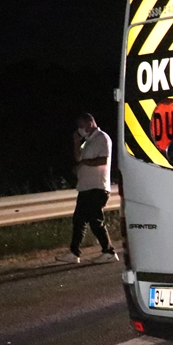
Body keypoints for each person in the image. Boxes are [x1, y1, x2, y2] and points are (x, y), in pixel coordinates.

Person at [57, 113, 117, 264]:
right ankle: (74, 253)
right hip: (85, 187)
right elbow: (78, 158)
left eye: (81, 125)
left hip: (97, 187)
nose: (79, 129)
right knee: (79, 220)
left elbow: (103, 160)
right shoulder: (87, 141)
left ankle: (109, 252)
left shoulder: (102, 138)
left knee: (95, 220)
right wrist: (76, 143)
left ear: (90, 123)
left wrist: (84, 163)